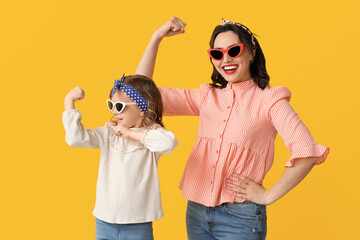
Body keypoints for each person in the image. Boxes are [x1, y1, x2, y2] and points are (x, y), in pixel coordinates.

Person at [135, 16, 330, 240]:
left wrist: (268, 196)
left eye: (234, 50)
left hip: (241, 217)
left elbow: (307, 151)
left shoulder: (270, 101)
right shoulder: (207, 96)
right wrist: (156, 39)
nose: (225, 59)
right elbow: (140, 95)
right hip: (197, 211)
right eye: (217, 54)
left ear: (251, 52)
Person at [62, 74, 178, 240]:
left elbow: (169, 143)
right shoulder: (109, 133)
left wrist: (130, 133)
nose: (114, 111)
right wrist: (69, 102)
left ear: (142, 108)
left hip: (138, 222)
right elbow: (76, 139)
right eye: (111, 105)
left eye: (119, 105)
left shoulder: (152, 135)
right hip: (104, 220)